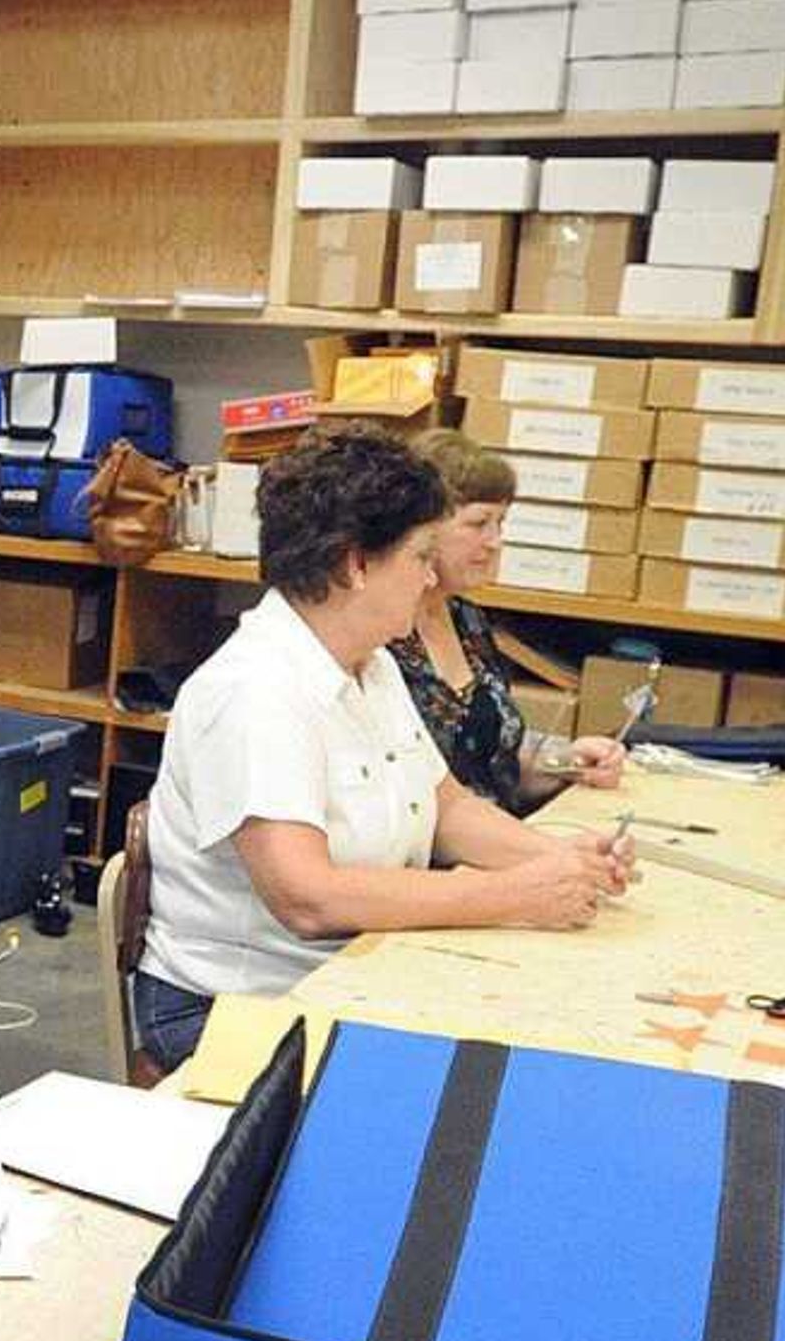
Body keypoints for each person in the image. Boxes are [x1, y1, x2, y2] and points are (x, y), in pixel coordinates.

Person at [128, 430, 636, 1069]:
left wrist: (563, 860)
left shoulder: (370, 665)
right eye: (421, 556)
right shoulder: (255, 692)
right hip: (236, 1009)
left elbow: (446, 807)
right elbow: (308, 899)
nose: (431, 577)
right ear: (354, 564)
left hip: (353, 972)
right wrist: (517, 894)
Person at [393, 430, 631, 809]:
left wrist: (566, 763)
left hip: (494, 843)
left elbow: (493, 761)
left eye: (500, 524)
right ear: (423, 528)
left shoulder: (468, 622)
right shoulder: (378, 639)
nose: (495, 542)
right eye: (478, 523)